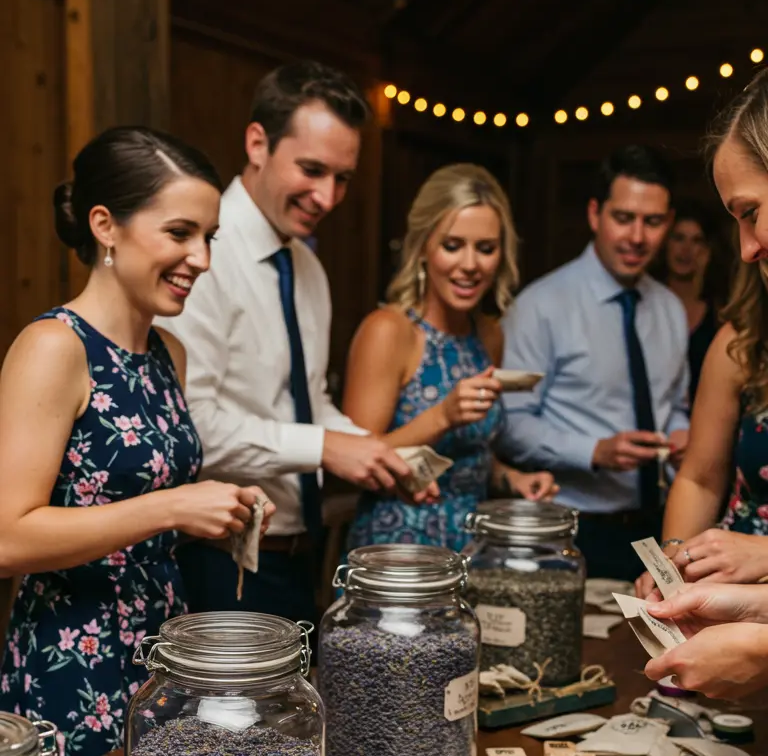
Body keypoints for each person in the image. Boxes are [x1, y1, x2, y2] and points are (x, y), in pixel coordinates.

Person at [0, 127, 274, 756]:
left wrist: (221, 513)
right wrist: (174, 506)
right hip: (74, 662)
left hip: (165, 657)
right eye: (180, 233)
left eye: (208, 238)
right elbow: (8, 538)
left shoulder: (166, 353)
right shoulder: (54, 347)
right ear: (106, 226)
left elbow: (138, 510)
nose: (201, 259)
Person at [162, 60, 417, 626]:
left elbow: (306, 398)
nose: (326, 196)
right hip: (219, 558)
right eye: (311, 170)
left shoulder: (306, 264)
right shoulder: (200, 257)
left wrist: (373, 453)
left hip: (301, 551)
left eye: (342, 178)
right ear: (258, 143)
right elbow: (193, 427)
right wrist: (326, 447)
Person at [341, 163, 557, 551]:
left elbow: (470, 452)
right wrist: (441, 417)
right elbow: (354, 465)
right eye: (453, 245)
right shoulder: (389, 331)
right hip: (398, 549)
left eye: (486, 248)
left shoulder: (488, 335)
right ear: (424, 247)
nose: (470, 265)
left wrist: (511, 478)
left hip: (472, 546)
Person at [498, 145, 690, 581]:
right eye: (623, 218)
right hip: (571, 528)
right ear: (594, 215)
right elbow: (512, 426)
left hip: (660, 525)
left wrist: (682, 434)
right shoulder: (541, 306)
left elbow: (675, 402)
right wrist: (595, 451)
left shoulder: (670, 309)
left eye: (653, 221)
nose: (637, 237)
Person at [637, 69, 768, 591]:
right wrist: (672, 561)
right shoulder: (746, 340)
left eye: (750, 212)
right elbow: (699, 476)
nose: (745, 248)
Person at [658, 198, 721, 401]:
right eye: (678, 238)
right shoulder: (646, 304)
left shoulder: (720, 312)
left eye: (696, 241)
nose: (686, 249)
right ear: (665, 243)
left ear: (707, 250)